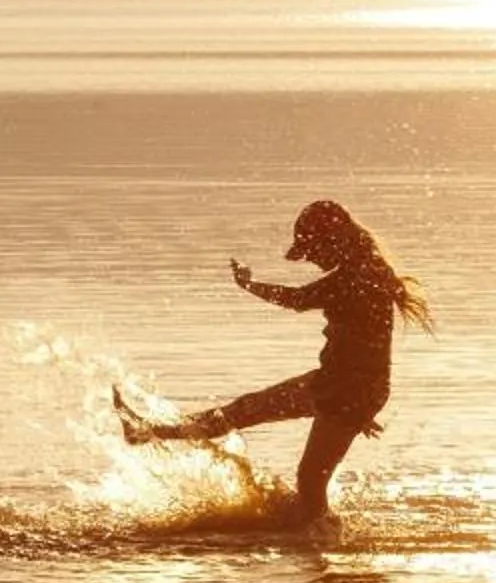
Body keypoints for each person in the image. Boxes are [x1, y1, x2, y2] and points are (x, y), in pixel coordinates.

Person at [116, 200, 433, 524]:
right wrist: (362, 405)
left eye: (311, 249)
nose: (308, 258)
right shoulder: (368, 269)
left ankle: (319, 542)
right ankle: (147, 432)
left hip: (347, 387)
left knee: (309, 480)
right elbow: (373, 343)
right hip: (341, 383)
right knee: (244, 410)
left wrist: (249, 286)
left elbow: (298, 300)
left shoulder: (358, 276)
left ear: (332, 240)